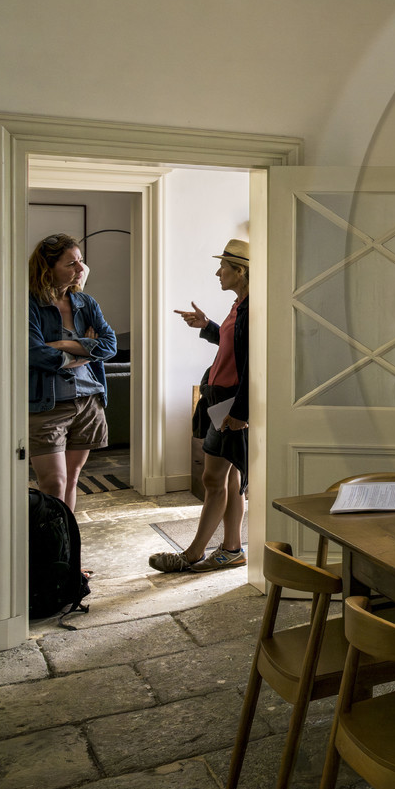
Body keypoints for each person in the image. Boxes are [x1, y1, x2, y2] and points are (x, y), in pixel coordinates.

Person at [150, 238, 251, 573]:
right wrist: (207, 326)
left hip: (229, 405)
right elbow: (230, 346)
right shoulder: (240, 304)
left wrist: (240, 412)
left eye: (223, 266)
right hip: (219, 400)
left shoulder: (252, 309)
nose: (217, 272)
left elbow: (254, 365)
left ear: (240, 271)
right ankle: (231, 549)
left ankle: (193, 553)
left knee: (212, 479)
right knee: (229, 478)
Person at [28, 233, 117, 514]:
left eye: (80, 262)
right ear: (47, 268)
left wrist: (64, 344)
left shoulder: (85, 303)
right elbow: (34, 353)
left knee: (72, 481)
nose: (81, 270)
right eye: (71, 264)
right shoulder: (28, 303)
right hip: (47, 405)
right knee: (53, 483)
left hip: (88, 401)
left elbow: (110, 345)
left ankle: (67, 547)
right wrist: (84, 352)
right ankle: (51, 549)